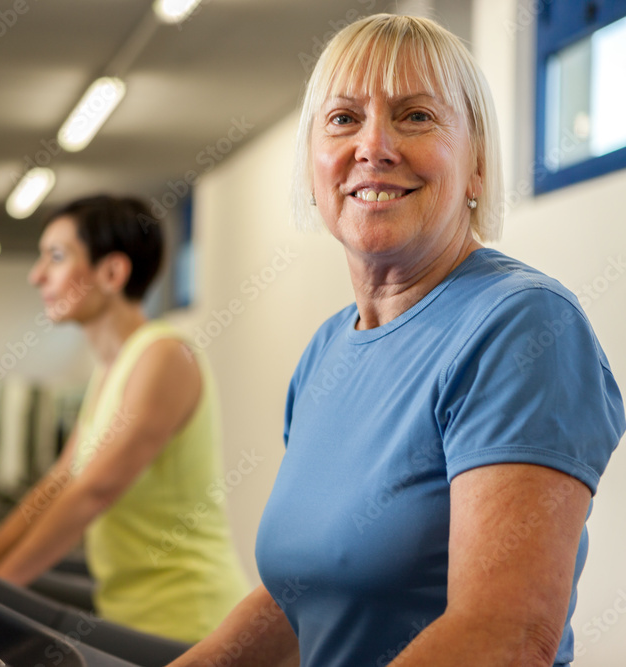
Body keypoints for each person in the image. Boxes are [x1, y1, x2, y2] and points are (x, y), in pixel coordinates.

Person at [168, 13, 624, 667]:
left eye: (416, 116)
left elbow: (505, 637)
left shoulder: (522, 325)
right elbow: (298, 596)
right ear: (314, 163)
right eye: (344, 118)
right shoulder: (327, 350)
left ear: (477, 166)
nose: (374, 146)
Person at [0, 195, 249, 643]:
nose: (37, 275)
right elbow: (61, 482)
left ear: (112, 273)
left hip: (190, 621)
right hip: (132, 614)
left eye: (56, 258)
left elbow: (93, 492)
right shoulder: (109, 370)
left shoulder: (163, 356)